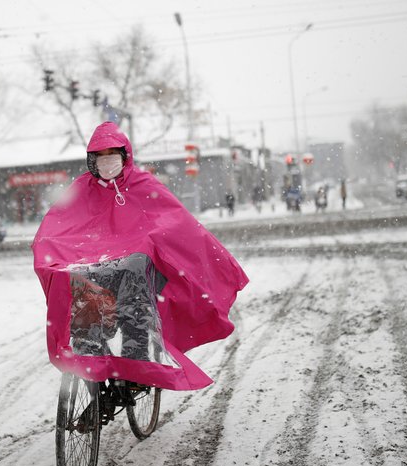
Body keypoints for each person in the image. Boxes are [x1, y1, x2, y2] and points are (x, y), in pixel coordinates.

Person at [32, 122, 248, 391]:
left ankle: (137, 368)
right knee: (86, 323)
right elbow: (57, 228)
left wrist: (149, 241)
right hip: (93, 270)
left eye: (113, 155)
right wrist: (51, 255)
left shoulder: (142, 184)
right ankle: (94, 377)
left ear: (125, 156)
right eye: (100, 156)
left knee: (134, 311)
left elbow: (173, 220)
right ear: (92, 160)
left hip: (134, 273)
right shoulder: (81, 190)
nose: (107, 162)